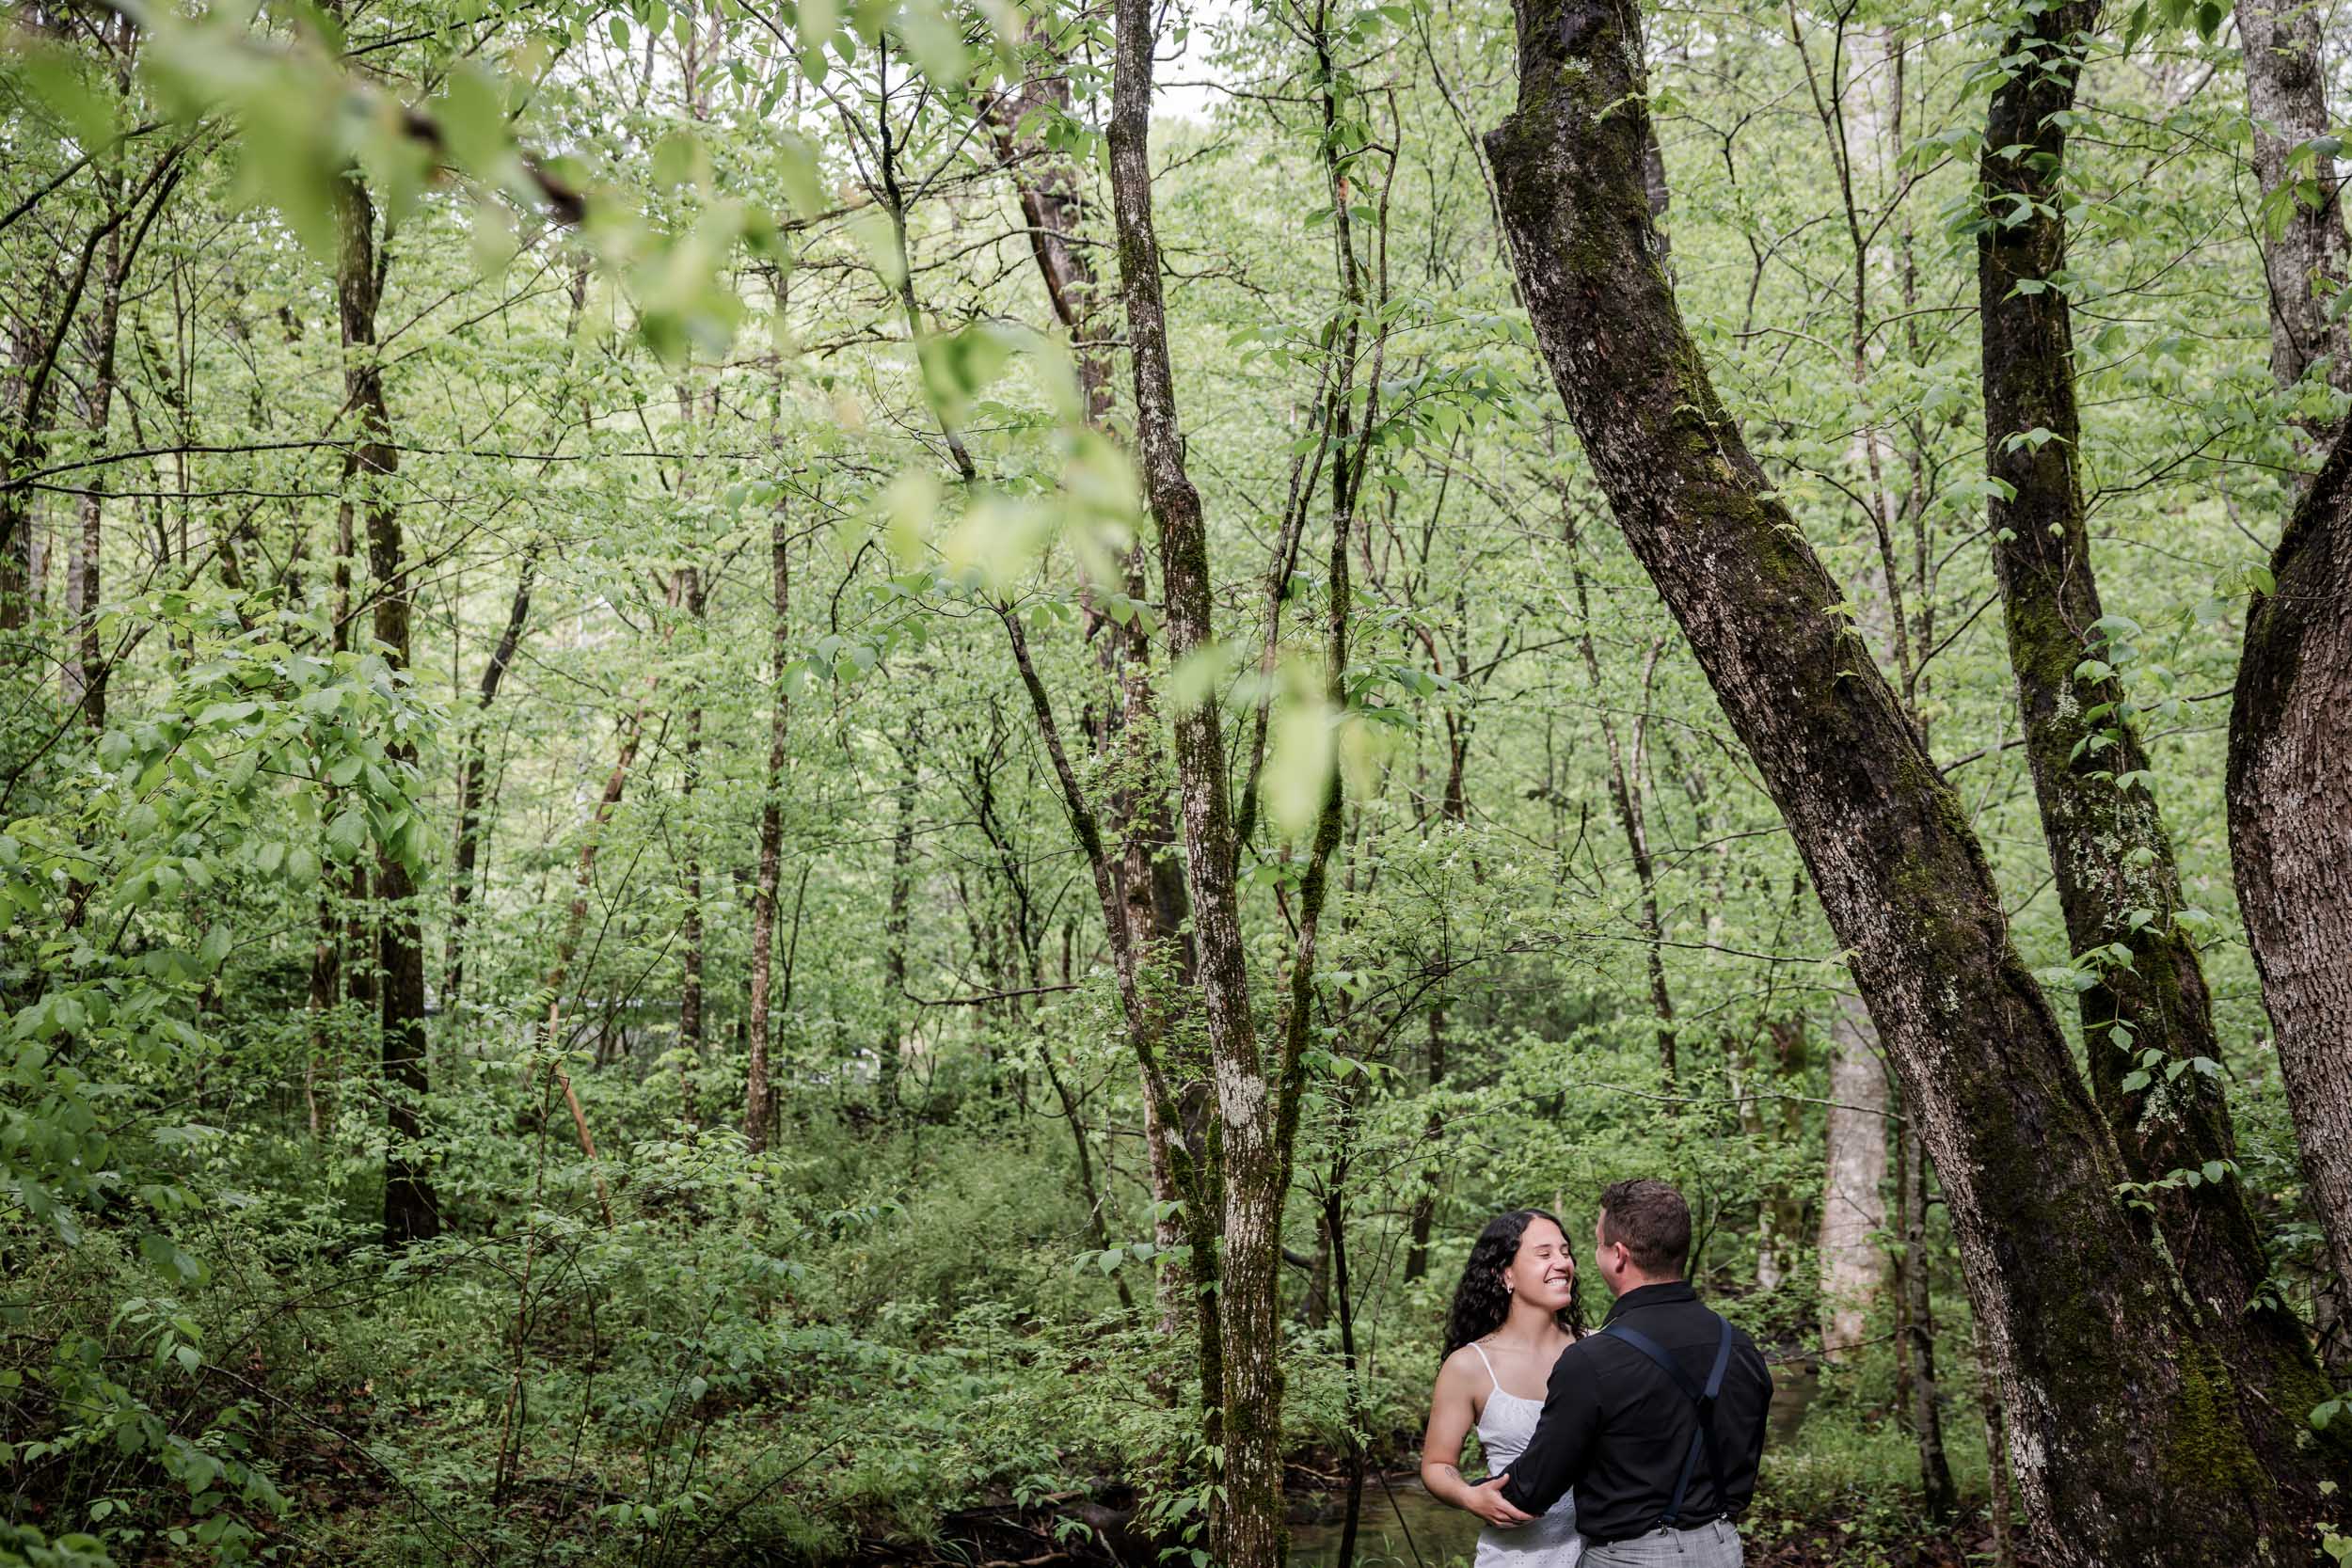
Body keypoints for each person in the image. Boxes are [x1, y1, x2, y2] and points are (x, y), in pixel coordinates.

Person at [1471, 1179, 1772, 1568]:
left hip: (1630, 1557)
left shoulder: (1592, 1360)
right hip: (1723, 1548)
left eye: (1597, 1244)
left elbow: (1531, 1492)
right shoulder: (1741, 1347)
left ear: (1618, 1256)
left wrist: (1470, 1491)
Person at [1420, 1208, 1590, 1565]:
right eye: (1544, 1254)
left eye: (1564, 1251)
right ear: (1505, 1274)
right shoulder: (1469, 1365)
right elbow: (1437, 1464)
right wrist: (1469, 1496)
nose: (1562, 1263)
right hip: (1515, 1556)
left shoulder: (1597, 1349)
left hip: (1603, 1553)